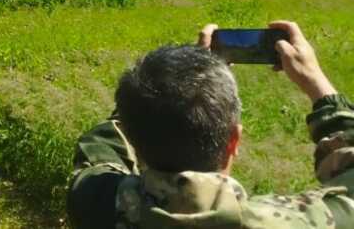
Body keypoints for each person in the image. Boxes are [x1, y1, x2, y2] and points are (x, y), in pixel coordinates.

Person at [68, 20, 354, 227]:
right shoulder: (297, 222)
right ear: (234, 141)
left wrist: (162, 89)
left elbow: (102, 147)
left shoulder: (96, 200)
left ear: (133, 137)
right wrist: (317, 83)